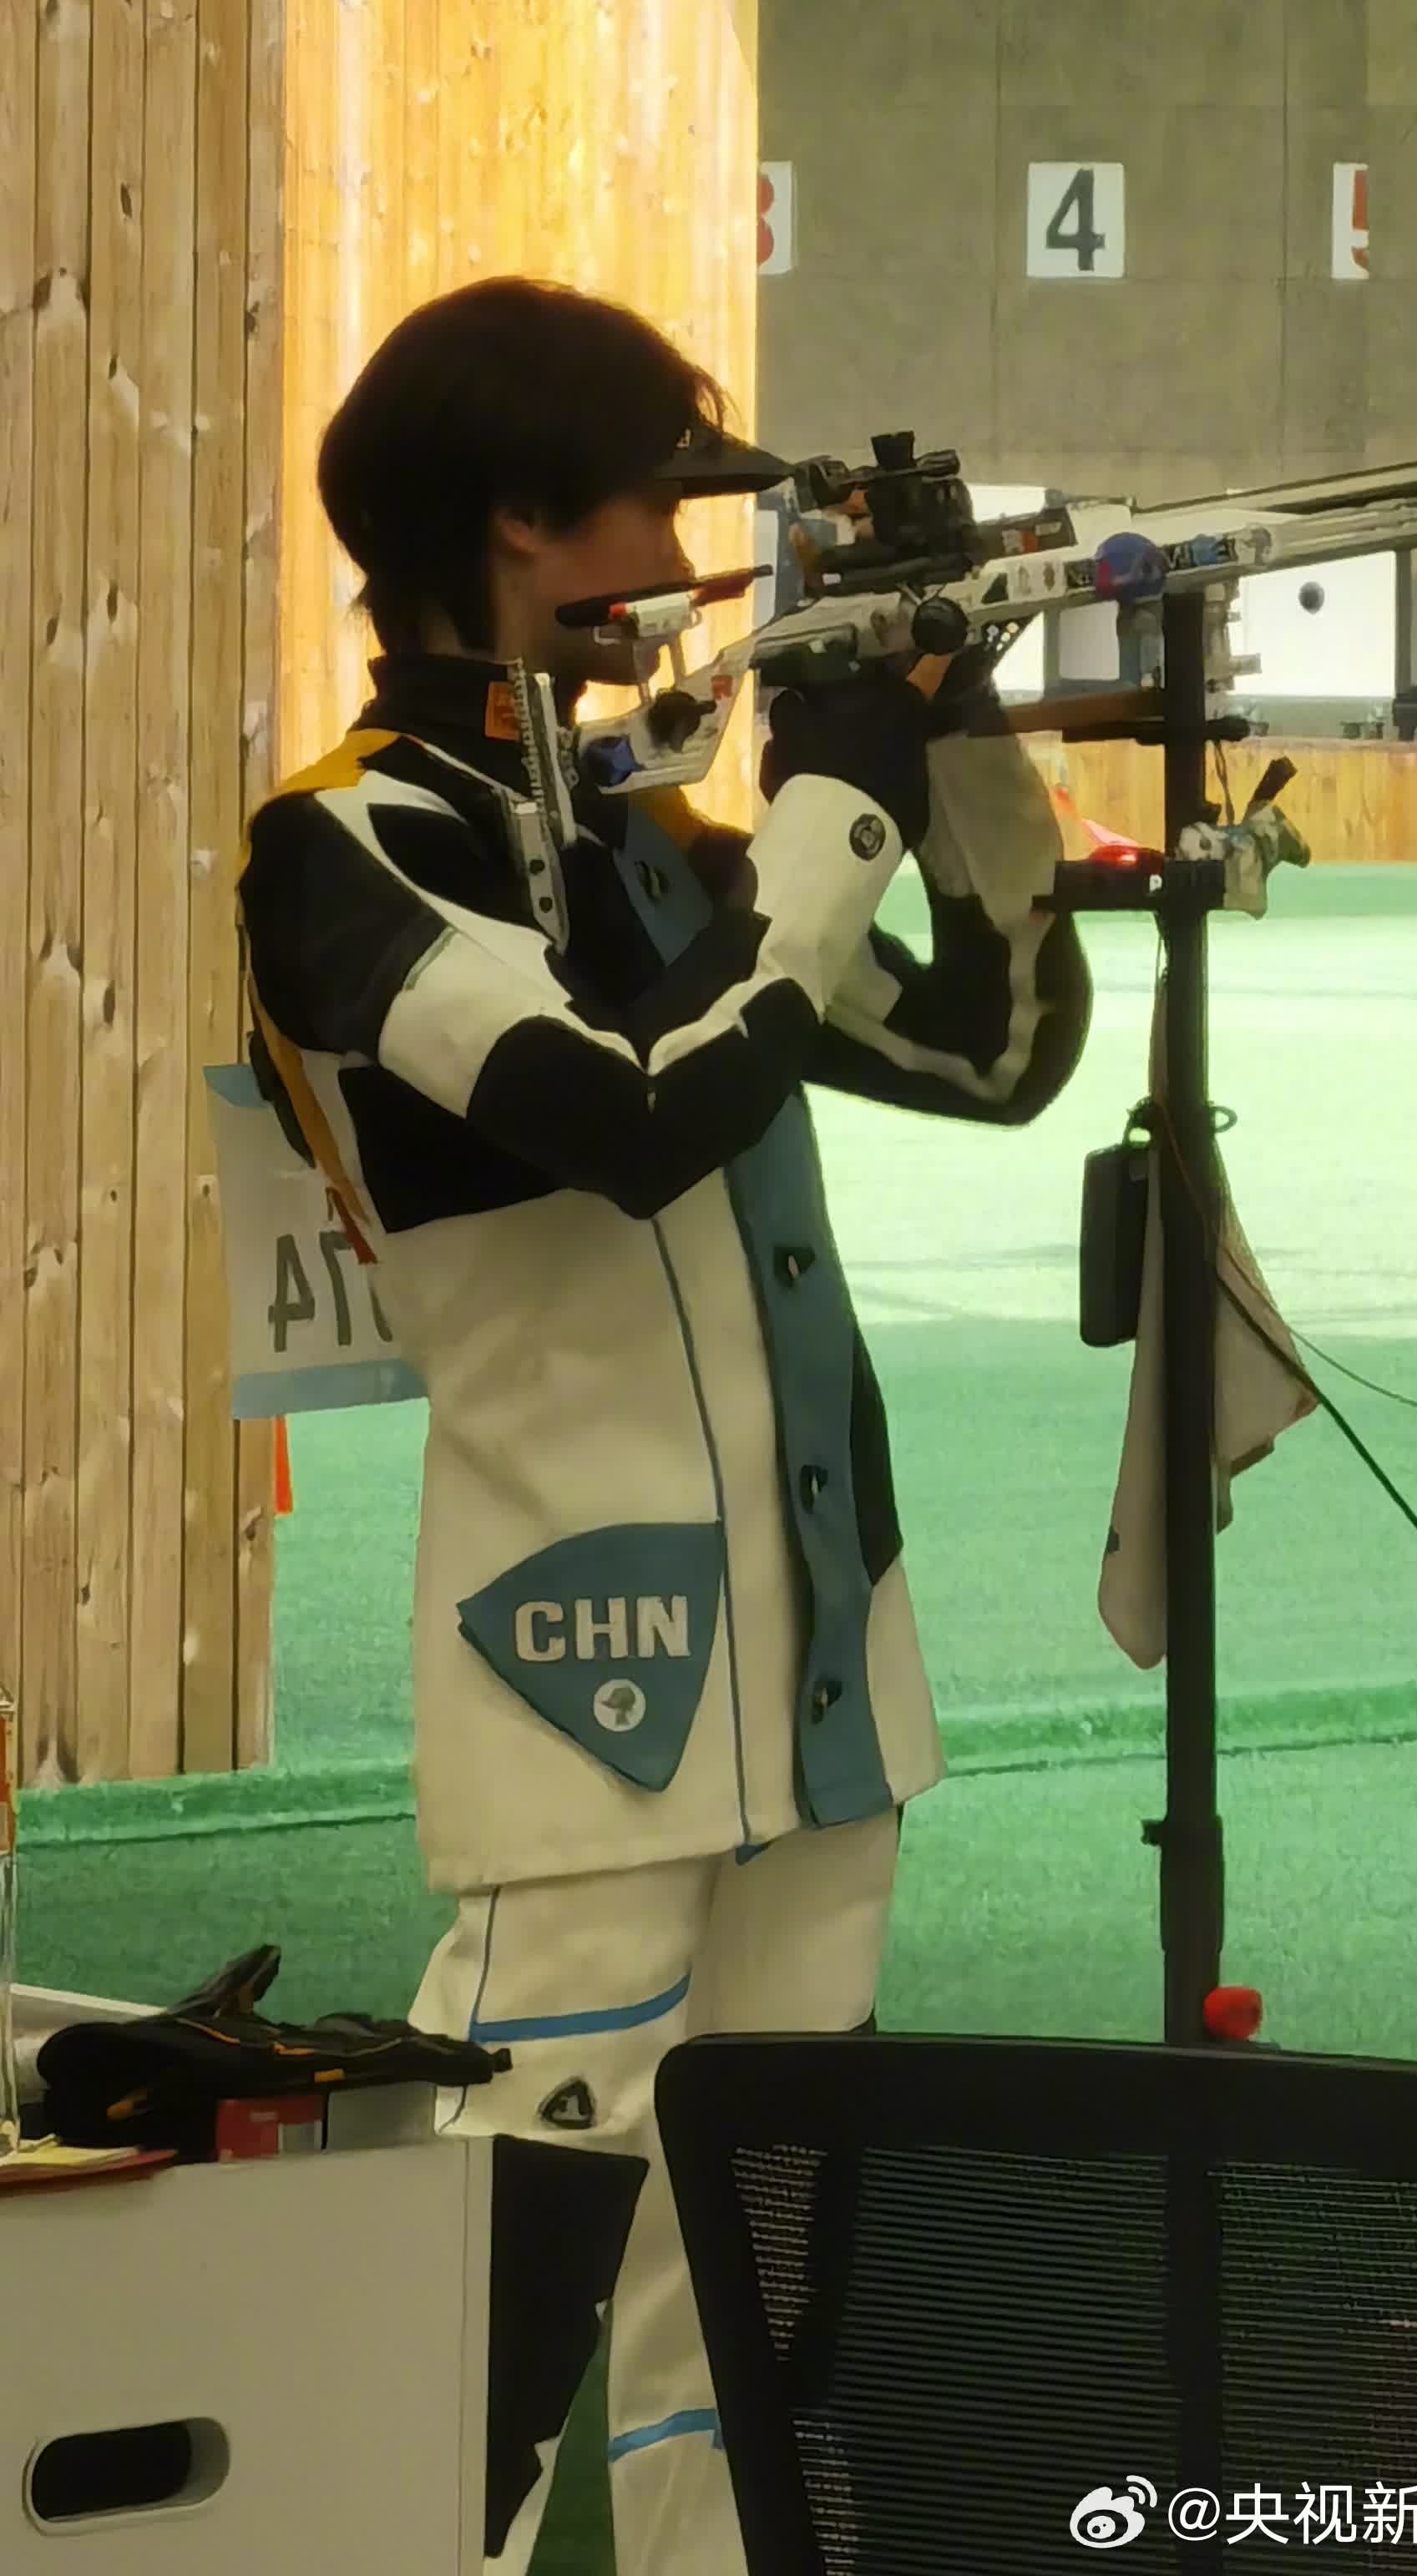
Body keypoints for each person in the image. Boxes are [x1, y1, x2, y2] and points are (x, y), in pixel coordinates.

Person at [233, 277, 1091, 2574]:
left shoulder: (644, 836)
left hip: (823, 1649)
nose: (689, 555)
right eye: (654, 501)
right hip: (585, 1645)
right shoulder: (346, 845)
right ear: (519, 523)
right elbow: (630, 1113)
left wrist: (952, 738)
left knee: (761, 2273)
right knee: (508, 2257)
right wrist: (830, 802)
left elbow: (1002, 1046)